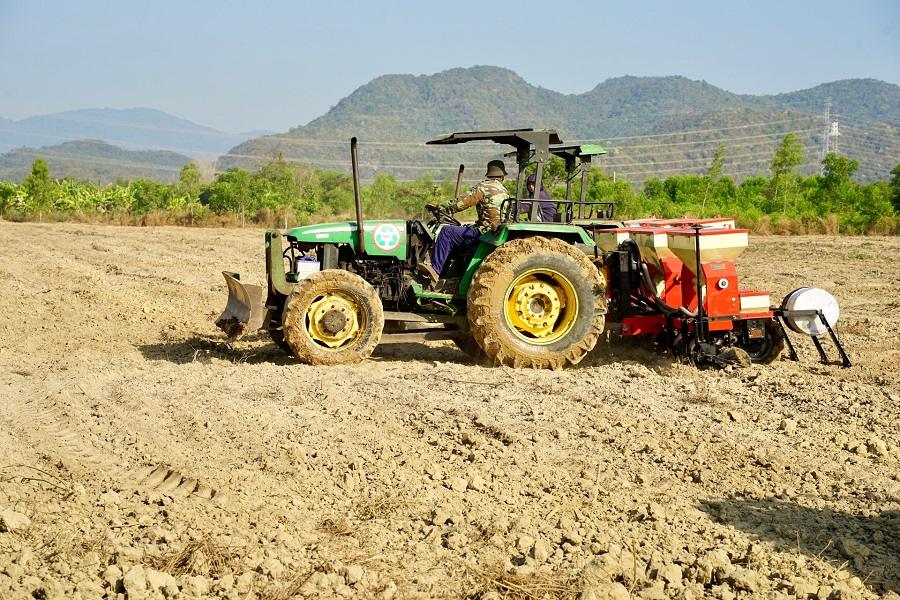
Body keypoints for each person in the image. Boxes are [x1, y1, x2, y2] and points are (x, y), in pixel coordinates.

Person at [419, 159, 510, 282]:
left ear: (489, 174)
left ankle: (435, 270)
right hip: (496, 233)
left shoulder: (484, 187)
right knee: (455, 236)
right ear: (502, 176)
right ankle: (443, 278)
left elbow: (462, 203)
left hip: (483, 233)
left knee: (447, 232)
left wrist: (440, 207)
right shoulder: (505, 191)